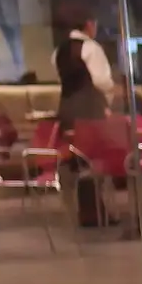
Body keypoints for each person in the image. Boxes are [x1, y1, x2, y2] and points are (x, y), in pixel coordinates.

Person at [53, 13, 116, 227]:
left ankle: (86, 210)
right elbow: (102, 81)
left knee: (77, 160)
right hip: (90, 108)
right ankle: (95, 211)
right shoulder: (91, 48)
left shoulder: (59, 50)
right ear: (89, 24)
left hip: (67, 108)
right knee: (94, 159)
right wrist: (110, 96)